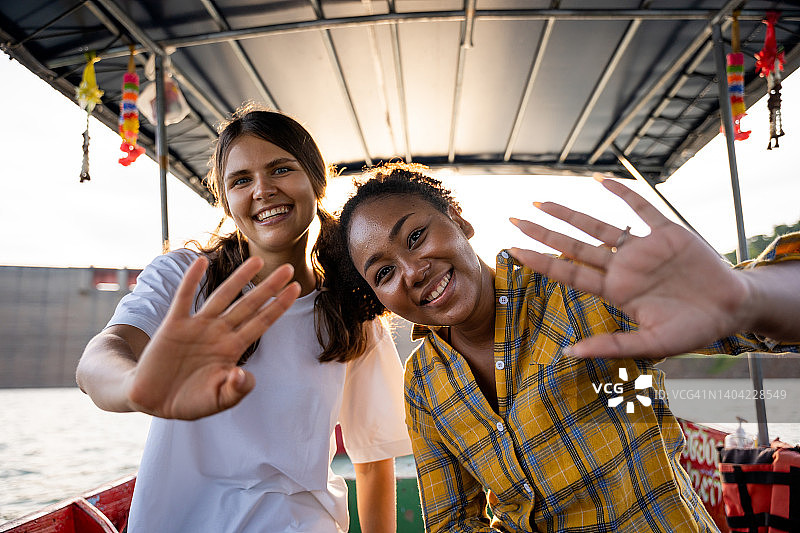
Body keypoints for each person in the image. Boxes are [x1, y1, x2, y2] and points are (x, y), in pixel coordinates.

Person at [334, 163, 800, 533]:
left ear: (459, 219)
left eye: (415, 237)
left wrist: (744, 298)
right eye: (383, 273)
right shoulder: (422, 384)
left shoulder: (575, 292)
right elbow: (453, 521)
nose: (411, 271)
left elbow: (748, 344)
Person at [76, 106, 411, 533]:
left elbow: (372, 461)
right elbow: (101, 357)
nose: (263, 189)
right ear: (227, 201)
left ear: (316, 180)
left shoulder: (352, 311)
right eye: (241, 180)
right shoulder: (185, 277)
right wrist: (134, 387)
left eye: (281, 169)